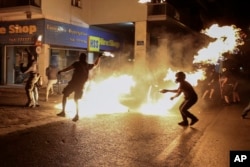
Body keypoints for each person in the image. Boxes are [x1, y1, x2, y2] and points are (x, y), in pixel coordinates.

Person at [56, 53, 102, 121]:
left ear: (80, 57)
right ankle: (77, 114)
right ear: (85, 58)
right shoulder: (87, 65)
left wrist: (61, 71)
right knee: (76, 100)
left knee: (65, 95)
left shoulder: (77, 63)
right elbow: (95, 64)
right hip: (81, 85)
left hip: (73, 83)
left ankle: (63, 112)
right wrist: (99, 57)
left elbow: (68, 68)